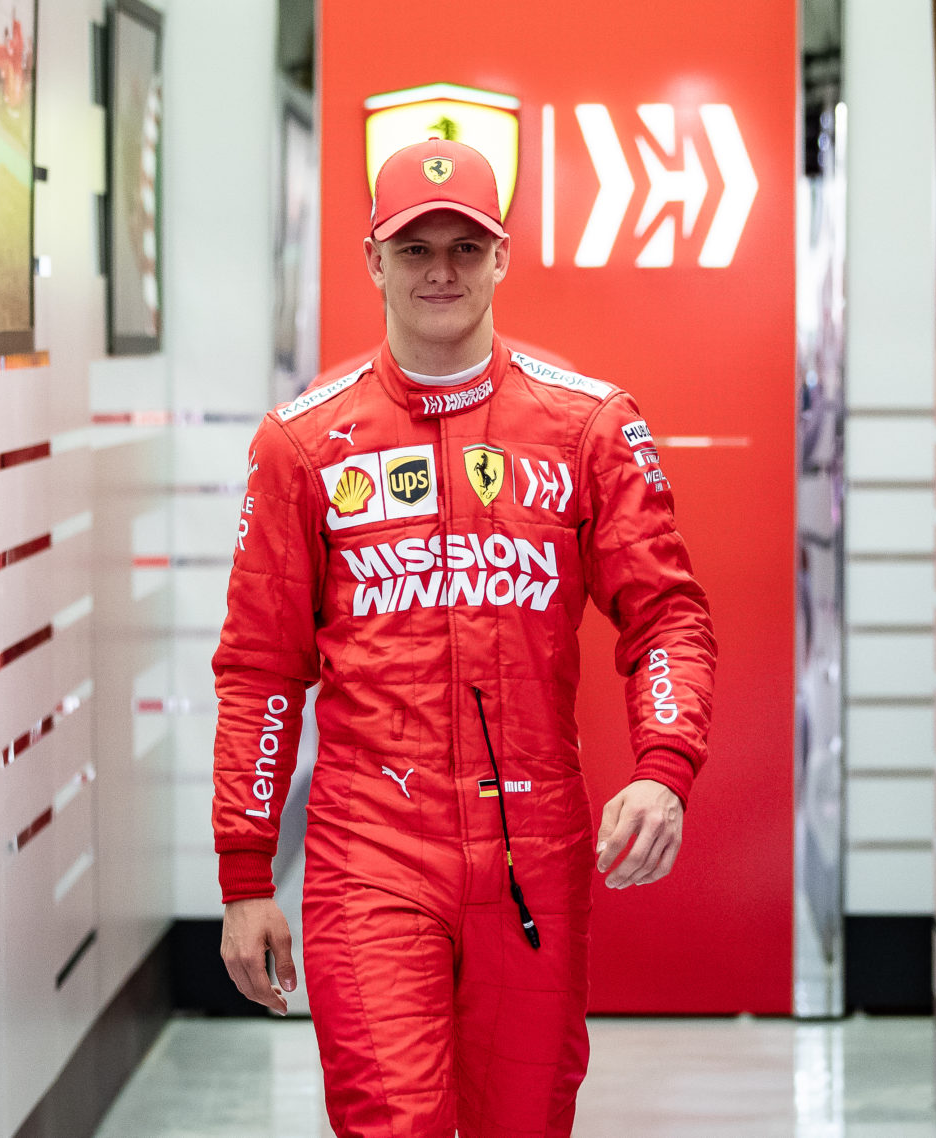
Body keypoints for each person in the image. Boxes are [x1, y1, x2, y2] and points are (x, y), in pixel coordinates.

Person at [210, 136, 717, 1138]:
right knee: (389, 1122)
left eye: (464, 246)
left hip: (537, 846)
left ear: (502, 258)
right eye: (414, 249)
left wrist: (665, 766)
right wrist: (242, 874)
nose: (440, 271)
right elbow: (262, 671)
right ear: (372, 261)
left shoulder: (589, 427)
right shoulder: (303, 445)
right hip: (370, 850)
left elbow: (668, 615)